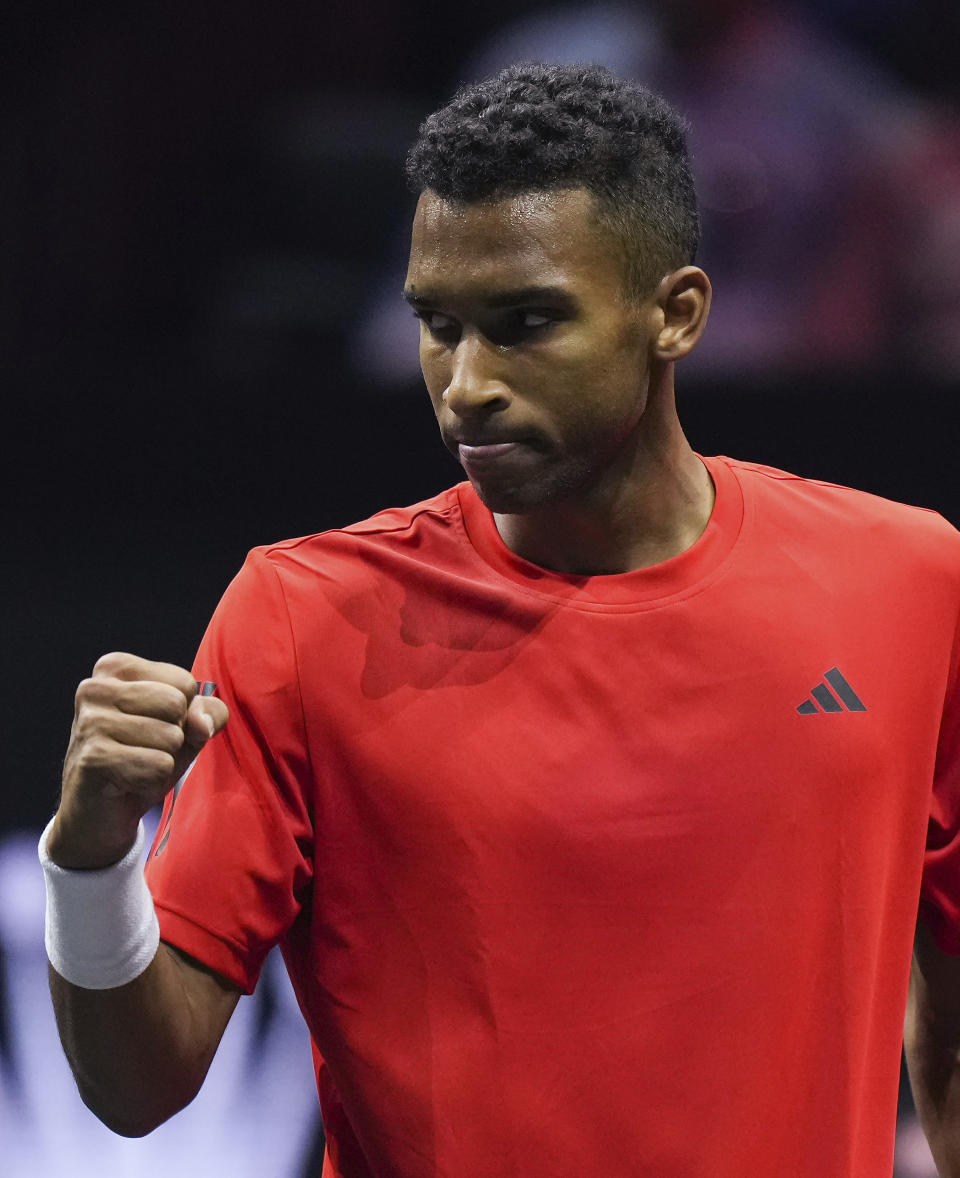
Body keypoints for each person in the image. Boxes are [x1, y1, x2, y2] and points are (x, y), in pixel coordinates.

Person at [39, 62, 960, 1178]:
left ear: (676, 314)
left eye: (525, 323)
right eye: (439, 325)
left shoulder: (912, 581)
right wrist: (91, 857)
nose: (465, 383)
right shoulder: (302, 616)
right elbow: (136, 1089)